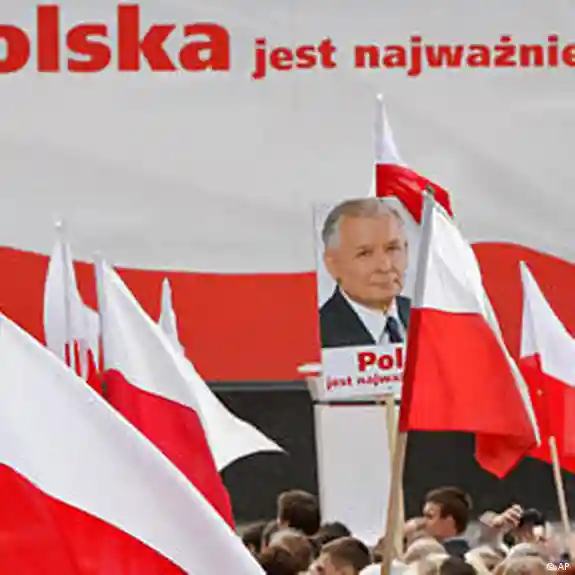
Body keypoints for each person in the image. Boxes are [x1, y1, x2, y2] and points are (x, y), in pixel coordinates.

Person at [319, 198, 410, 349]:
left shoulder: (426, 317)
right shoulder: (316, 335)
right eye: (365, 253)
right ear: (332, 264)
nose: (385, 266)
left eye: (392, 248)